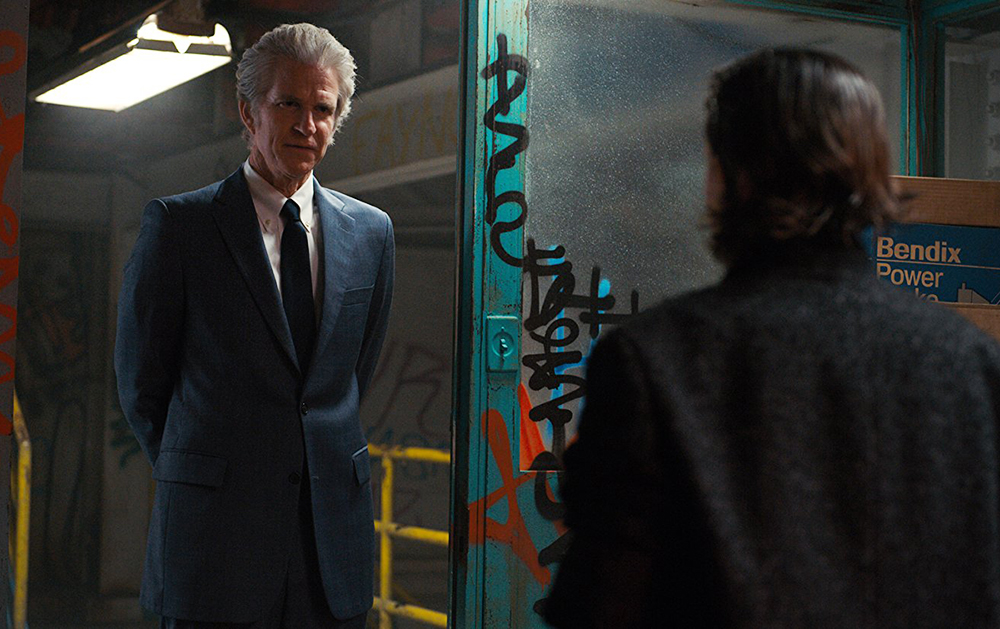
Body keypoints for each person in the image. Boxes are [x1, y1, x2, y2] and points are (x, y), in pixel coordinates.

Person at [543, 48, 1000, 628]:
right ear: (870, 175)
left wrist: (590, 493)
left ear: (729, 179)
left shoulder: (653, 361)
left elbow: (602, 604)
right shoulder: (973, 362)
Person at [115, 23, 393, 628]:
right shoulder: (180, 228)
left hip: (329, 551)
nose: (307, 124)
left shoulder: (372, 233)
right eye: (288, 104)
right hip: (214, 546)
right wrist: (205, 471)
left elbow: (347, 377)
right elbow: (141, 385)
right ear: (248, 112)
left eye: (323, 109)